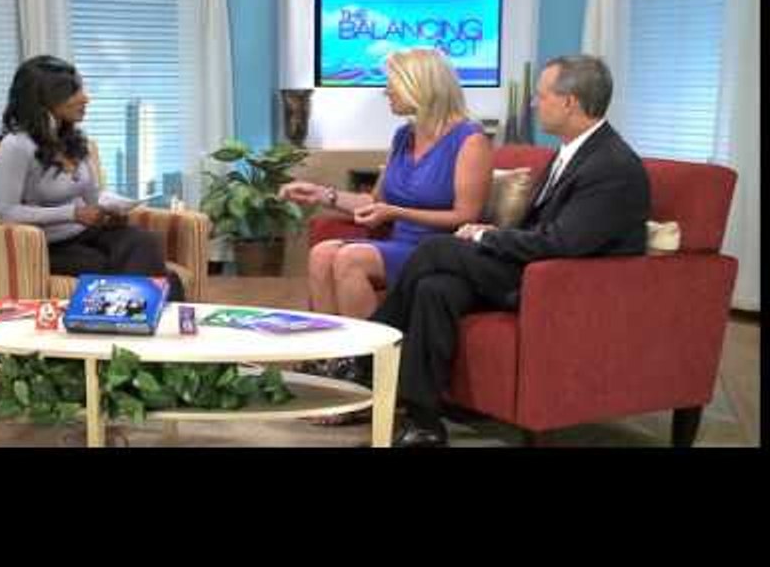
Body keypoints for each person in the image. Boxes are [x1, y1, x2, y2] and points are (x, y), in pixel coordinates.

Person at [372, 55, 651, 447]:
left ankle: (368, 347)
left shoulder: (611, 166)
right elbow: (547, 231)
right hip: (536, 269)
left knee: (437, 249)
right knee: (436, 288)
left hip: (565, 288)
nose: (534, 104)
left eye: (541, 95)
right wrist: (497, 233)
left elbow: (561, 244)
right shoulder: (574, 151)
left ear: (569, 102)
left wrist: (487, 238)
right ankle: (425, 422)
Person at [278, 48, 493, 404]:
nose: (386, 91)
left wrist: (396, 213)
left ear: (419, 86)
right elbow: (374, 202)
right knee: (321, 254)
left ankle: (373, 373)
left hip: (437, 251)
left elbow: (465, 216)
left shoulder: (471, 140)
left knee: (349, 259)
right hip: (398, 243)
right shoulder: (403, 136)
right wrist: (322, 193)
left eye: (392, 84)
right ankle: (334, 362)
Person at [0, 55, 184, 301]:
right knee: (116, 267)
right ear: (44, 98)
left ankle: (144, 310)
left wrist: (112, 210)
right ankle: (161, 302)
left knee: (145, 241)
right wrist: (73, 213)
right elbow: (5, 212)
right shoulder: (16, 145)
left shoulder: (74, 141)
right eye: (74, 92)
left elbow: (93, 196)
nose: (85, 98)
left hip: (87, 233)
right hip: (48, 245)